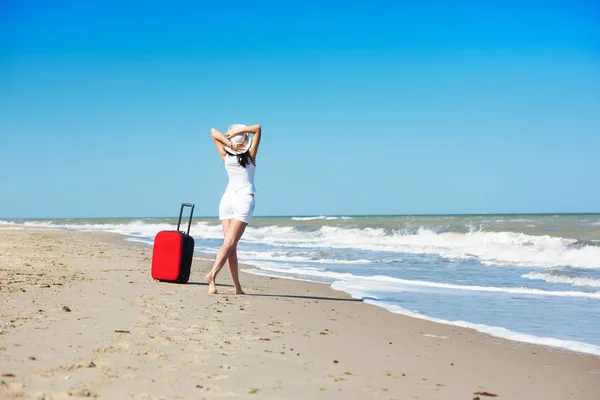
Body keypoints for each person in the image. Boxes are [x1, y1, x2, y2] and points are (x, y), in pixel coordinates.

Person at [206, 124, 262, 294]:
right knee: (230, 244)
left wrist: (228, 141)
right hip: (243, 199)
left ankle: (237, 287)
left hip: (227, 200)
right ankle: (212, 275)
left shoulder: (225, 155)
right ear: (245, 142)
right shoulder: (250, 156)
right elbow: (258, 128)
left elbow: (213, 132)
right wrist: (239, 133)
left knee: (231, 246)